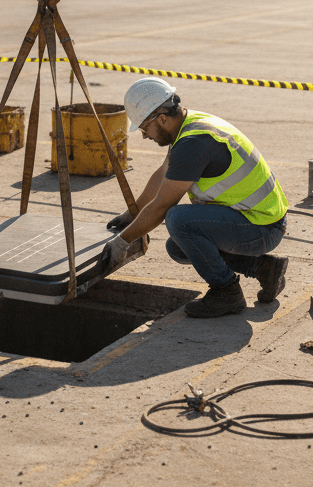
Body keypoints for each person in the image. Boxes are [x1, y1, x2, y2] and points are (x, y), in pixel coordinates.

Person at [102, 78, 289, 318]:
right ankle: (265, 269)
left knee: (179, 220)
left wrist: (122, 242)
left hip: (263, 228)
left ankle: (227, 292)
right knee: (178, 247)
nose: (145, 136)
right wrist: (133, 214)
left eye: (143, 128)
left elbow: (161, 206)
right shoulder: (188, 126)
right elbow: (162, 175)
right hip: (259, 220)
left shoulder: (193, 144)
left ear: (161, 118)